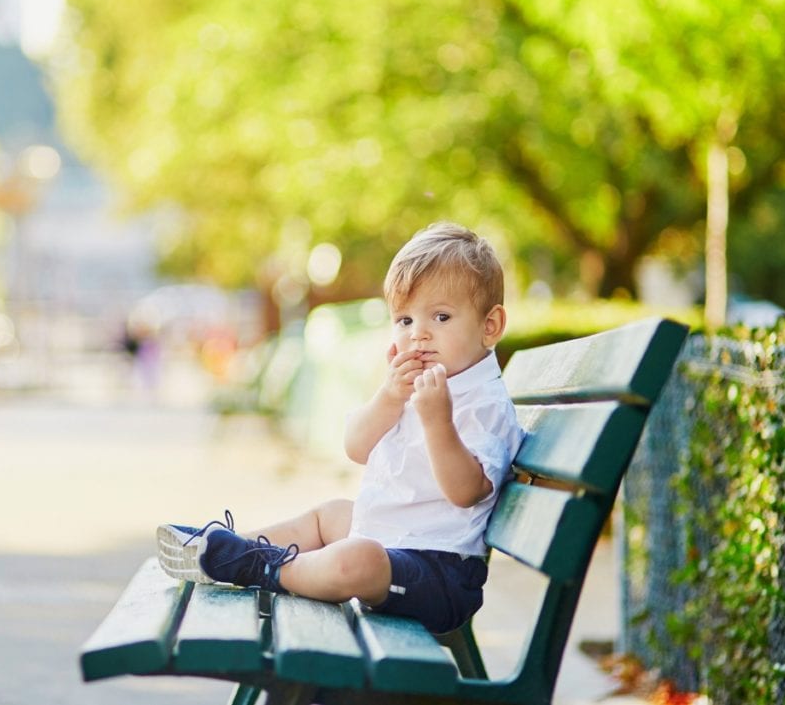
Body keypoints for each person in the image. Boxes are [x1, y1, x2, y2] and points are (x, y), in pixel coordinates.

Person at [156, 222, 524, 634]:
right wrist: (389, 396)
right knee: (330, 516)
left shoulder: (485, 404)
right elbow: (356, 447)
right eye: (403, 320)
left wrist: (437, 422)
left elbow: (466, 491)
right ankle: (230, 549)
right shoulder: (416, 385)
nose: (418, 333)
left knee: (356, 560)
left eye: (440, 316)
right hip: (392, 542)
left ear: (489, 326)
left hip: (439, 571)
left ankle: (255, 565)